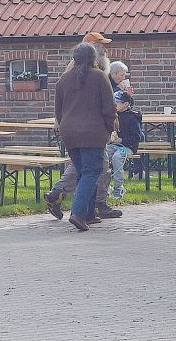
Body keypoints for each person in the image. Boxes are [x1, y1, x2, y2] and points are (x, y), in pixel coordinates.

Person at [47, 42, 116, 231]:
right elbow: (109, 108)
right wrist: (109, 129)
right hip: (93, 132)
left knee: (82, 172)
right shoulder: (100, 77)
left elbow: (58, 111)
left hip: (69, 133)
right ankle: (78, 213)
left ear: (74, 59)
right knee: (92, 171)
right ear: (93, 58)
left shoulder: (63, 80)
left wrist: (64, 128)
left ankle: (88, 214)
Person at [106, 90, 142, 201]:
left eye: (116, 103)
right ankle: (105, 187)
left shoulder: (132, 117)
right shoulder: (112, 115)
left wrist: (120, 140)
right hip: (112, 145)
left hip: (128, 147)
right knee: (101, 154)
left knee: (117, 158)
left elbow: (136, 138)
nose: (113, 105)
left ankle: (119, 188)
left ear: (126, 104)